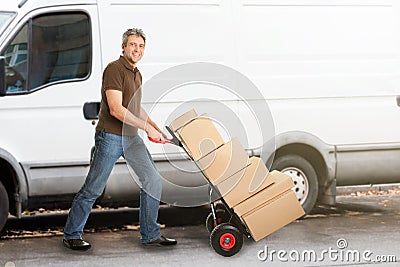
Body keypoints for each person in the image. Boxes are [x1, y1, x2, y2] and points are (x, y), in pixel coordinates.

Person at [62, 28, 177, 250]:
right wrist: (145, 127)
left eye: (141, 46)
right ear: (123, 47)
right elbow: (116, 109)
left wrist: (154, 127)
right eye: (133, 45)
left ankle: (150, 234)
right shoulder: (114, 69)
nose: (137, 49)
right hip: (111, 137)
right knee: (94, 188)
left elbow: (135, 107)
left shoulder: (137, 73)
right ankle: (71, 234)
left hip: (131, 138)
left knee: (152, 180)